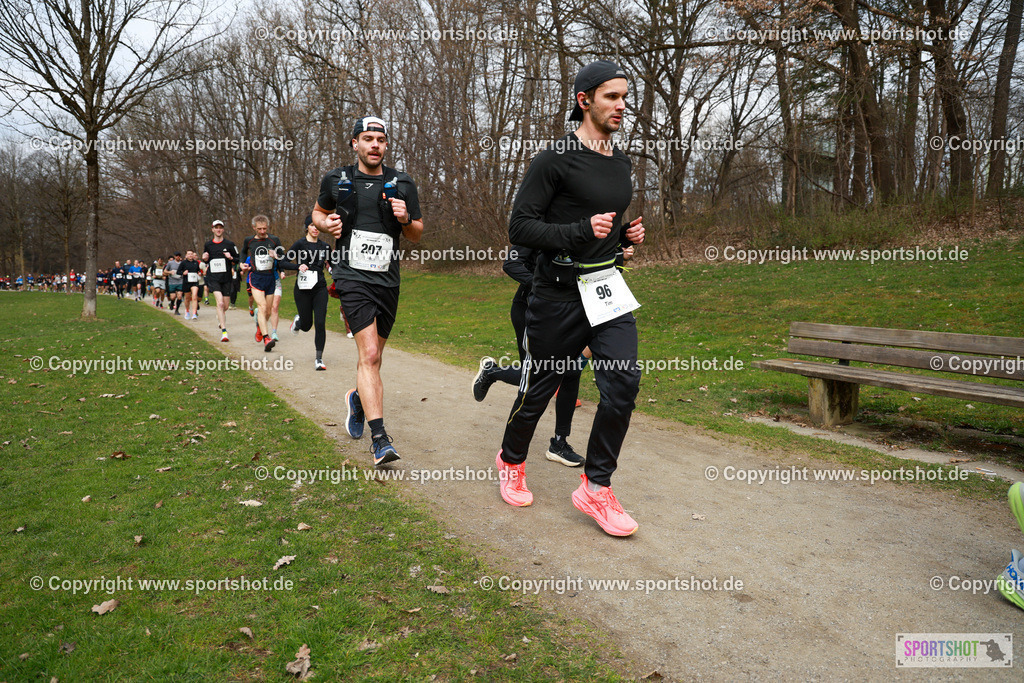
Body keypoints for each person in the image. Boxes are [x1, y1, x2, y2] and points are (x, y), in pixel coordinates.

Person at [493, 60, 645, 537]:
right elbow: (519, 228)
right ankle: (511, 459)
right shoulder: (554, 159)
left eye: (625, 97)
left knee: (623, 384)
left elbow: (601, 228)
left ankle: (596, 487)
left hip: (606, 289)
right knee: (539, 389)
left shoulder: (620, 162)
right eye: (611, 97)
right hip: (557, 294)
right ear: (585, 101)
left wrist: (623, 240)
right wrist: (580, 230)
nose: (622, 106)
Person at [312, 116, 423, 467]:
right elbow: (317, 213)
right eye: (367, 138)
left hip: (388, 279)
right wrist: (324, 223)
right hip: (350, 276)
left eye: (380, 139)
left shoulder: (402, 182)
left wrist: (406, 219)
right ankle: (380, 439)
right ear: (354, 144)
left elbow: (417, 233)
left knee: (374, 358)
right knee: (370, 353)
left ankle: (358, 399)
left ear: (386, 145)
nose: (374, 144)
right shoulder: (336, 179)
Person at [473, 244, 585, 467]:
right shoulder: (539, 224)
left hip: (570, 311)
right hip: (530, 309)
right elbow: (511, 264)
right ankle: (492, 372)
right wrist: (545, 287)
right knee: (533, 379)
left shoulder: (582, 226)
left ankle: (559, 444)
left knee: (571, 372)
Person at [286, 214, 333, 370]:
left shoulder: (325, 247)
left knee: (320, 323)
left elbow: (332, 264)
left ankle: (319, 359)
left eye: (317, 226)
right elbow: (283, 261)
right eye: (312, 225)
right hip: (303, 289)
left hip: (320, 288)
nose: (315, 229)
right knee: (307, 326)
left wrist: (333, 270)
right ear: (307, 227)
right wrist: (297, 267)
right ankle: (299, 321)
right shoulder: (300, 244)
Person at [239, 215, 284, 352]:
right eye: (259, 229)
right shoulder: (249, 240)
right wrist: (242, 264)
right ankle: (266, 338)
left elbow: (282, 256)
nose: (263, 231)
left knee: (268, 311)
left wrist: (276, 255)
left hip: (270, 278)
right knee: (262, 306)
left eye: (265, 228)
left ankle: (259, 328)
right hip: (256, 277)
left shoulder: (274, 240)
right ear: (254, 228)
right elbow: (242, 252)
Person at [203, 219, 238, 342]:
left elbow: (238, 259)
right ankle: (224, 331)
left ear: (223, 230)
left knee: (225, 306)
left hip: (226, 278)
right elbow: (206, 259)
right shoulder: (208, 245)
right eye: (216, 227)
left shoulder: (230, 244)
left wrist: (231, 257)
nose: (218, 230)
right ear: (212, 229)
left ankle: (220, 316)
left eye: (220, 227)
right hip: (213, 278)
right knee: (220, 303)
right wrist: (204, 258)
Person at [178, 251, 202, 319]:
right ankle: (187, 311)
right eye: (189, 254)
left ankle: (194, 313)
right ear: (186, 255)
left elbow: (198, 270)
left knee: (194, 297)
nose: (190, 255)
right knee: (187, 298)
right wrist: (183, 272)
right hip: (186, 282)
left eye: (191, 254)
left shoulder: (196, 262)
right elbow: (178, 272)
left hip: (194, 282)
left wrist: (199, 273)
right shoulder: (183, 263)